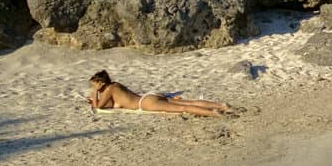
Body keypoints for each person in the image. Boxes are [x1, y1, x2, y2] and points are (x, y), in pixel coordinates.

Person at [87, 70, 236, 117]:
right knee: (187, 102)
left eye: (94, 85)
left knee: (183, 108)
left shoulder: (109, 89)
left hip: (144, 103)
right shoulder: (115, 85)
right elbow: (115, 102)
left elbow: (98, 107)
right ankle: (222, 105)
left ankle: (214, 113)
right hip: (149, 96)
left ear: (101, 84)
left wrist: (94, 93)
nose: (93, 88)